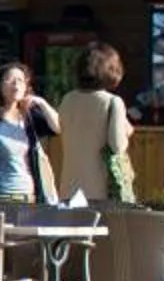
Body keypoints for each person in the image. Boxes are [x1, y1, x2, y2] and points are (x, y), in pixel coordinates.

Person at [0, 62, 61, 203]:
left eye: (20, 80)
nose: (16, 84)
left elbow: (57, 128)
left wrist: (41, 102)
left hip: (30, 198)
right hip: (0, 198)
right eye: (10, 79)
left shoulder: (30, 118)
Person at [55, 41, 136, 203]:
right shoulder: (112, 102)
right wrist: (127, 131)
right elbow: (117, 146)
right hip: (100, 189)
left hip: (68, 186)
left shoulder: (67, 99)